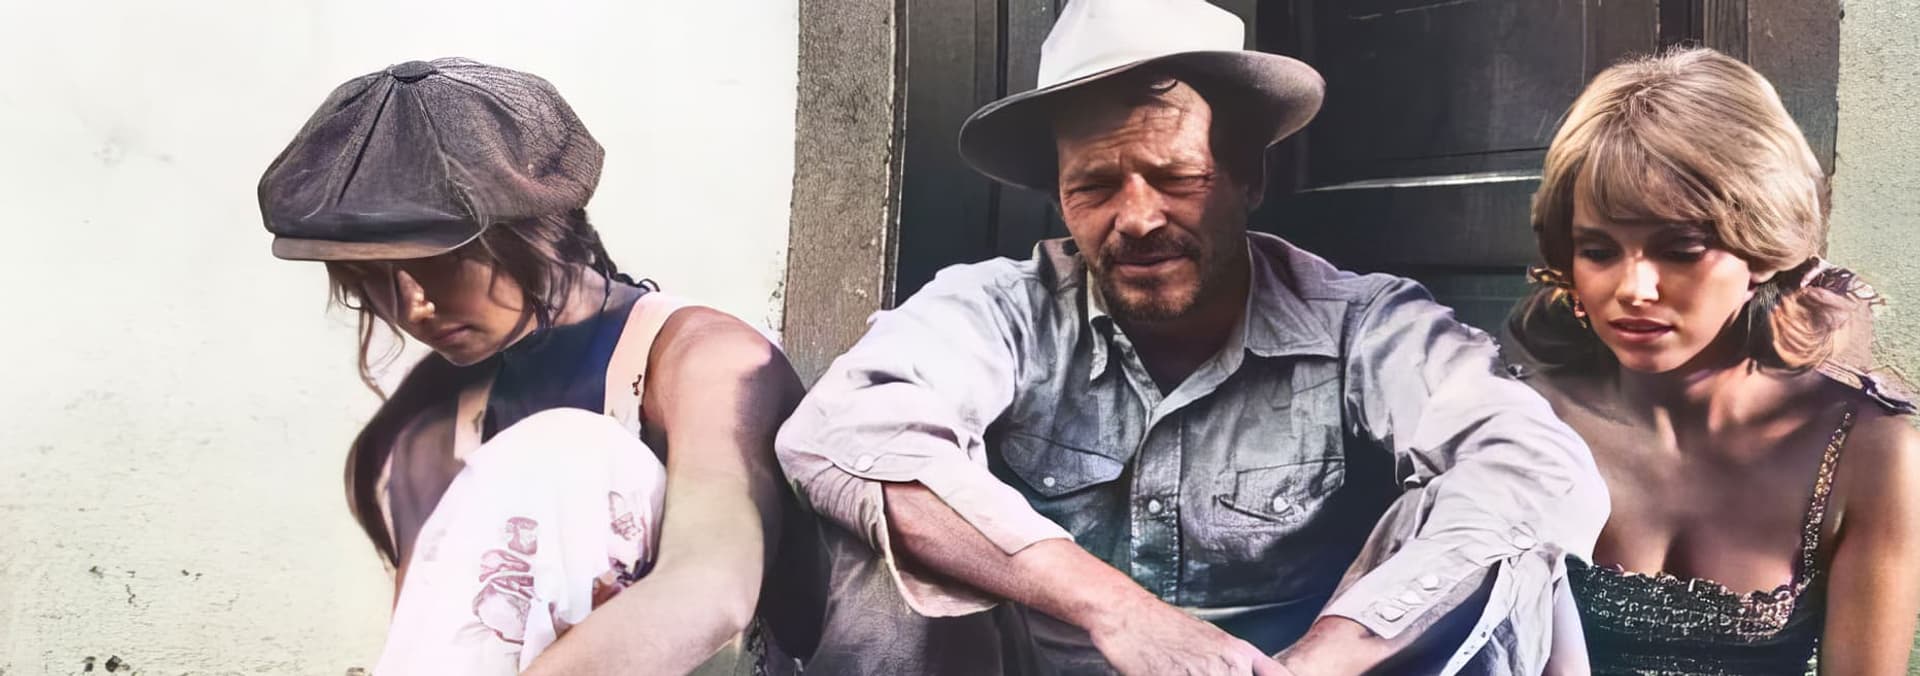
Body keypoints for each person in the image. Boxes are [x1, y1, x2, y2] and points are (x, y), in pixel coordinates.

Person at [774, 1, 1609, 673]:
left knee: (1504, 544)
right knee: (889, 525)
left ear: (1248, 178)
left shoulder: (1361, 322)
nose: (1137, 218)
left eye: (1178, 178)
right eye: (1095, 186)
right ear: (1060, 198)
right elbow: (841, 429)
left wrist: (1322, 660)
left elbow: (1536, 467)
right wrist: (1119, 612)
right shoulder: (999, 307)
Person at [257, 58, 817, 675]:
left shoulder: (705, 361)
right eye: (371, 278)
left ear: (539, 228)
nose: (411, 305)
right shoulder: (433, 422)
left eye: (440, 263)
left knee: (570, 451)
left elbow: (713, 588)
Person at [1508, 47, 1920, 675]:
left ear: (1763, 250)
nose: (1633, 289)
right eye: (1598, 250)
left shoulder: (1868, 452)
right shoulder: (1520, 423)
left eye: (1680, 250)